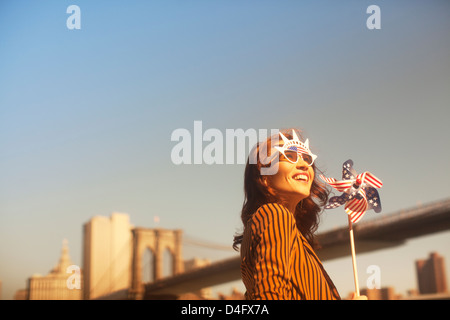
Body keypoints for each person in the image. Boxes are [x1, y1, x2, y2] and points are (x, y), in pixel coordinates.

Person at [233, 128, 365, 300]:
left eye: (307, 158)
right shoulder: (274, 214)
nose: (304, 165)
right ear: (265, 176)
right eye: (289, 155)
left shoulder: (283, 230)